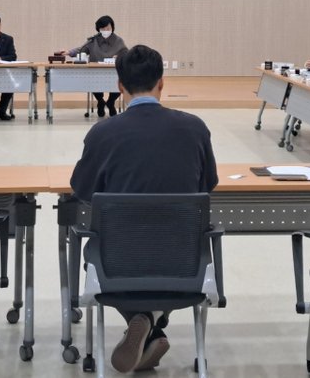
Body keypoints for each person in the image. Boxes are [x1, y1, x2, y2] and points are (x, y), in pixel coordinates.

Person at [70, 44, 218, 373]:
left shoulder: (103, 133)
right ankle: (151, 321)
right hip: (182, 260)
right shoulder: (195, 128)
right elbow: (207, 185)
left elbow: (82, 190)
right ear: (162, 83)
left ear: (119, 86)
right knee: (163, 252)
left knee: (109, 251)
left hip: (118, 261)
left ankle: (144, 320)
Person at [58, 15, 128, 117]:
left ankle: (111, 101)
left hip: (113, 72)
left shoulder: (119, 41)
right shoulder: (93, 40)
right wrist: (69, 52)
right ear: (98, 29)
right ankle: (100, 101)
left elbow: (126, 53)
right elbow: (82, 49)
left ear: (112, 27)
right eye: (103, 29)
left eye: (108, 28)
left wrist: (120, 56)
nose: (106, 31)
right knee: (92, 81)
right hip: (96, 72)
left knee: (121, 81)